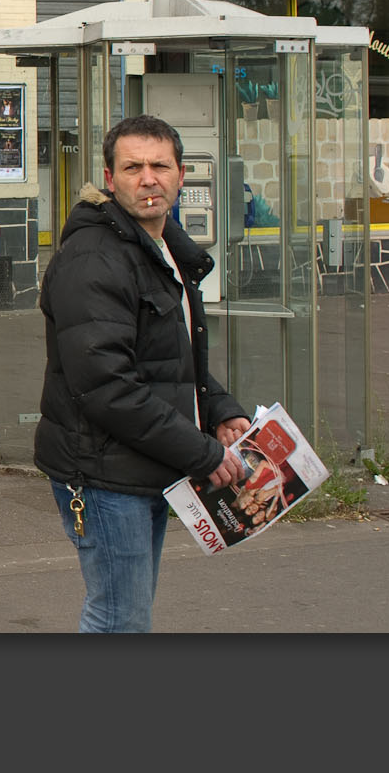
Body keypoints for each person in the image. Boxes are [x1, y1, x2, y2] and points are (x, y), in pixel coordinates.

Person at [35, 114, 251, 633]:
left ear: (181, 175)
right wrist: (201, 453)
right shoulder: (95, 259)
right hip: (104, 473)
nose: (148, 178)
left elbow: (166, 358)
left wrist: (219, 410)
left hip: (141, 464)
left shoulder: (159, 247)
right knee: (119, 620)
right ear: (110, 179)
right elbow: (106, 386)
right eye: (133, 167)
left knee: (126, 616)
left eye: (160, 166)